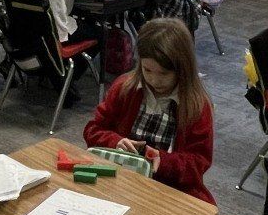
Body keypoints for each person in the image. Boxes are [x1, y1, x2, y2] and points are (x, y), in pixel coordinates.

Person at [83, 17, 215, 203]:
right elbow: (93, 130)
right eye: (147, 70)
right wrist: (115, 141)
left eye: (164, 73)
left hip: (170, 189)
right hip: (121, 179)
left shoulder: (196, 105)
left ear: (182, 69)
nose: (154, 80)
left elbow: (198, 162)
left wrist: (164, 162)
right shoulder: (125, 88)